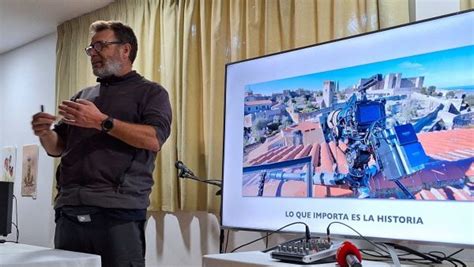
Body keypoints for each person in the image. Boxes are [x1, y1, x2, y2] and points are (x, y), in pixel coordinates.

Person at [31, 20, 172, 267]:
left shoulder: (151, 93)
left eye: (100, 46)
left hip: (118, 212)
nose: (93, 54)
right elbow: (59, 147)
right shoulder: (82, 96)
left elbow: (153, 139)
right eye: (91, 49)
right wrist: (45, 133)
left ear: (125, 50)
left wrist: (101, 122)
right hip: (68, 210)